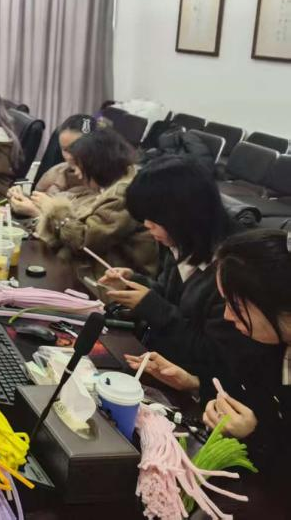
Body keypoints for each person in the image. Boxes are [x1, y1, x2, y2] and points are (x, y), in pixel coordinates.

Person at [97, 156, 268, 399]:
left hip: (198, 390)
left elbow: (213, 356)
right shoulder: (180, 242)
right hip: (160, 365)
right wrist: (136, 283)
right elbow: (172, 298)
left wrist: (152, 307)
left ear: (185, 215)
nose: (147, 226)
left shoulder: (234, 270)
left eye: (154, 219)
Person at [125, 230, 290, 473]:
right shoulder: (265, 344)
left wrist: (254, 434)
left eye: (236, 305)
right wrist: (193, 384)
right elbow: (250, 396)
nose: (227, 316)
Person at [35, 129, 157, 273]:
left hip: (113, 276)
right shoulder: (121, 180)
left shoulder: (122, 195)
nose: (77, 173)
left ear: (96, 164)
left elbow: (84, 243)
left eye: (79, 166)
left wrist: (53, 210)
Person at [7, 114, 101, 215]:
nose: (69, 156)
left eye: (74, 148)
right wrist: (20, 199)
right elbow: (35, 201)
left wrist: (37, 212)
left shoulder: (103, 186)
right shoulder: (56, 172)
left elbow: (81, 224)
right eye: (65, 149)